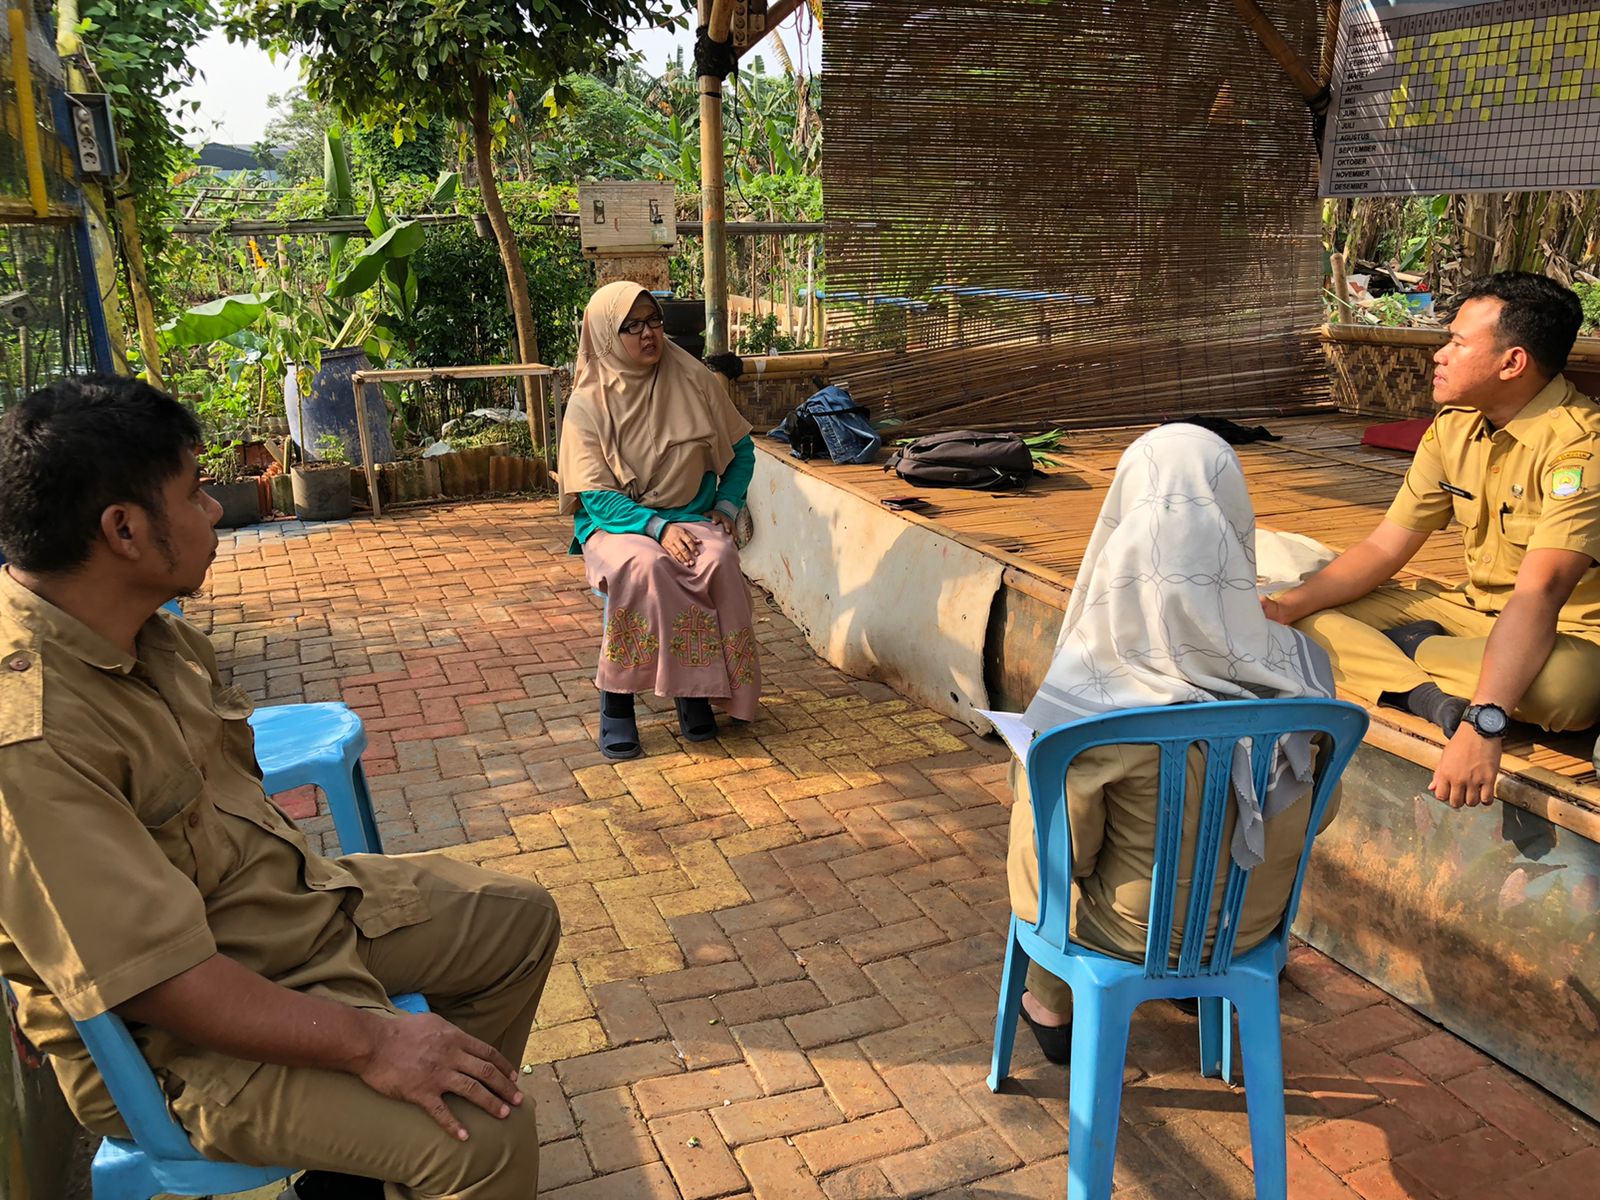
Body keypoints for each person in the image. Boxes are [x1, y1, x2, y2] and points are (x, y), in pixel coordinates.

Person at [0, 376, 560, 1200]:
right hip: (180, 1037)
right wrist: (373, 1045)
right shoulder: (33, 734)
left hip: (284, 921)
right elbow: (160, 982)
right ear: (122, 530)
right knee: (483, 1136)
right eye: (193, 494)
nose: (215, 511)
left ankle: (352, 1178)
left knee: (514, 922)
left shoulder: (149, 636)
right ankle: (408, 1141)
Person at [1007, 424, 1339, 1062]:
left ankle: (1049, 1003)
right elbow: (1323, 811)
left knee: (1037, 799)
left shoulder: (1103, 694)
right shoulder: (1300, 672)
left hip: (1131, 928)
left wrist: (1029, 773)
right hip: (1253, 925)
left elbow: (1064, 855)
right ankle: (1201, 990)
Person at [1264, 272, 1597, 810]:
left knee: (1571, 690)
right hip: (1466, 611)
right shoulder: (1454, 428)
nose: (1440, 354)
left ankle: (1411, 648)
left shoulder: (1580, 451)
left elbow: (1539, 597)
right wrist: (1280, 609)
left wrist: (1485, 726)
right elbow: (1384, 548)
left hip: (1567, 632)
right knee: (1302, 612)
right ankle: (1428, 696)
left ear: (1513, 363)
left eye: (1458, 343)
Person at [558, 281, 761, 760]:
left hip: (689, 513)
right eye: (631, 326)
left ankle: (695, 693)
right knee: (646, 567)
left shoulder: (694, 379)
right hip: (617, 524)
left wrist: (727, 506)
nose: (647, 334)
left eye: (654, 321)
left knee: (718, 559)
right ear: (606, 333)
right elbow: (595, 494)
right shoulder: (589, 402)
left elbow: (742, 450)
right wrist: (657, 529)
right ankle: (617, 704)